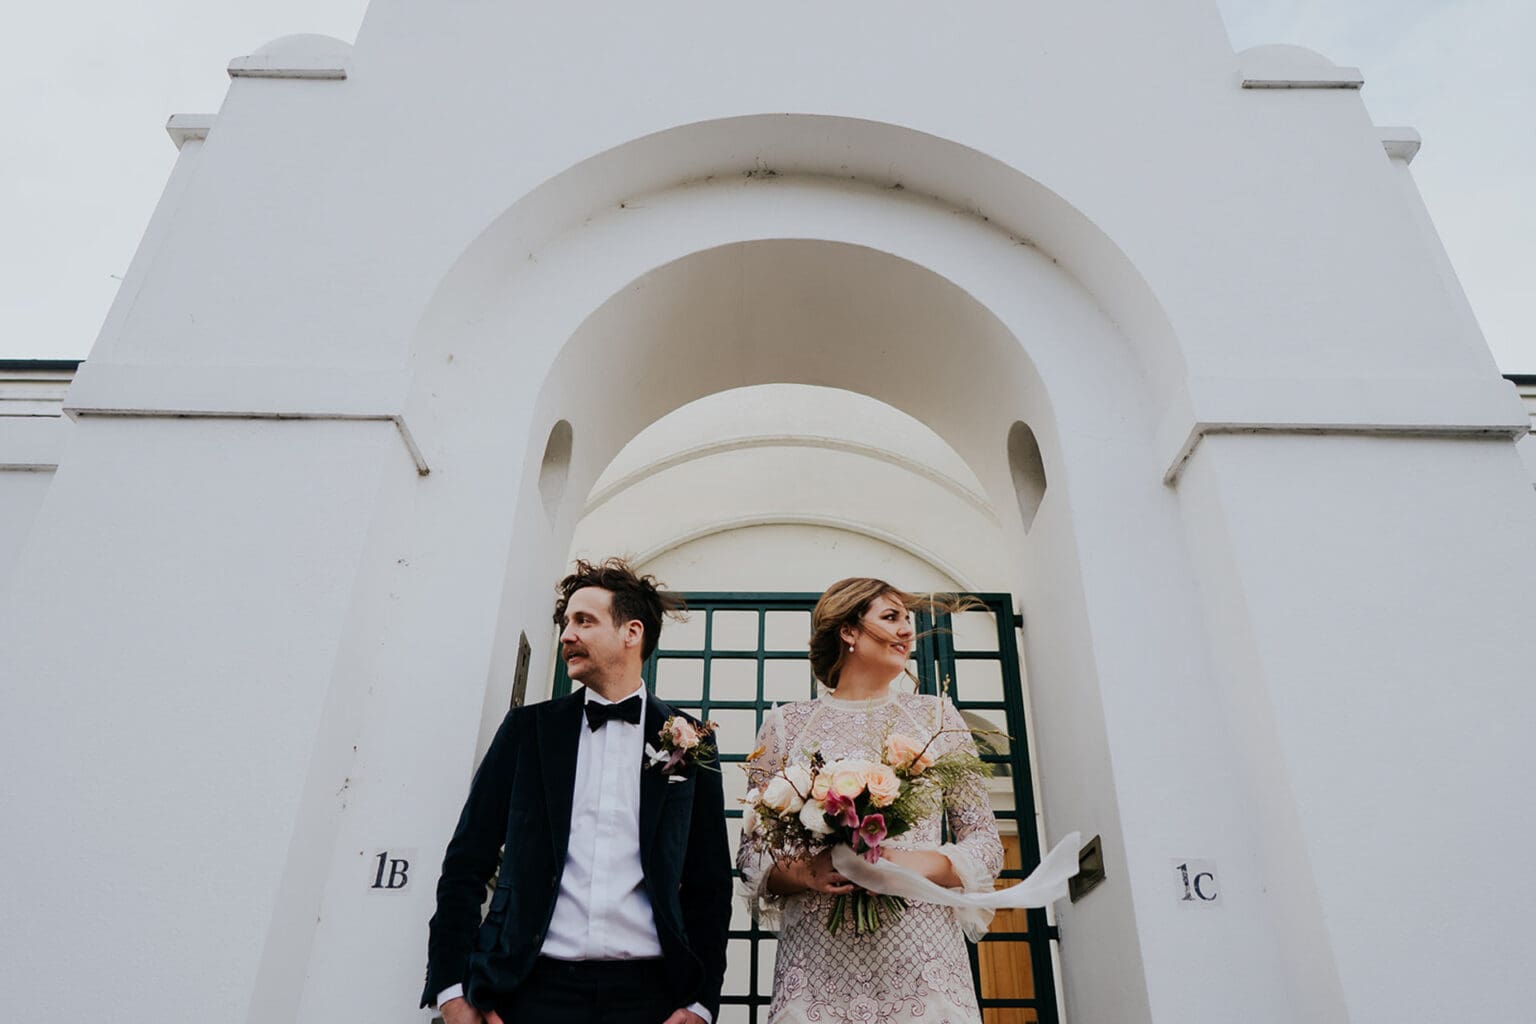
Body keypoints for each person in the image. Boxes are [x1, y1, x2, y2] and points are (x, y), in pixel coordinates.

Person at [422, 558, 732, 1024]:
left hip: (651, 997)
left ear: (632, 633)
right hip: (529, 991)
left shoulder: (690, 739)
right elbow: (467, 861)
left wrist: (701, 1002)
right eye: (566, 622)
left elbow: (710, 882)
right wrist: (450, 989)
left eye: (583, 621)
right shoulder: (527, 732)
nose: (567, 634)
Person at [738, 578, 1004, 1024]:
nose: (906, 631)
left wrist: (908, 862)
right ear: (849, 631)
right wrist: (807, 871)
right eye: (891, 617)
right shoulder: (787, 726)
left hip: (922, 960)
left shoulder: (935, 717)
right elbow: (751, 854)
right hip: (817, 965)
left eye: (908, 620)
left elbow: (985, 843)